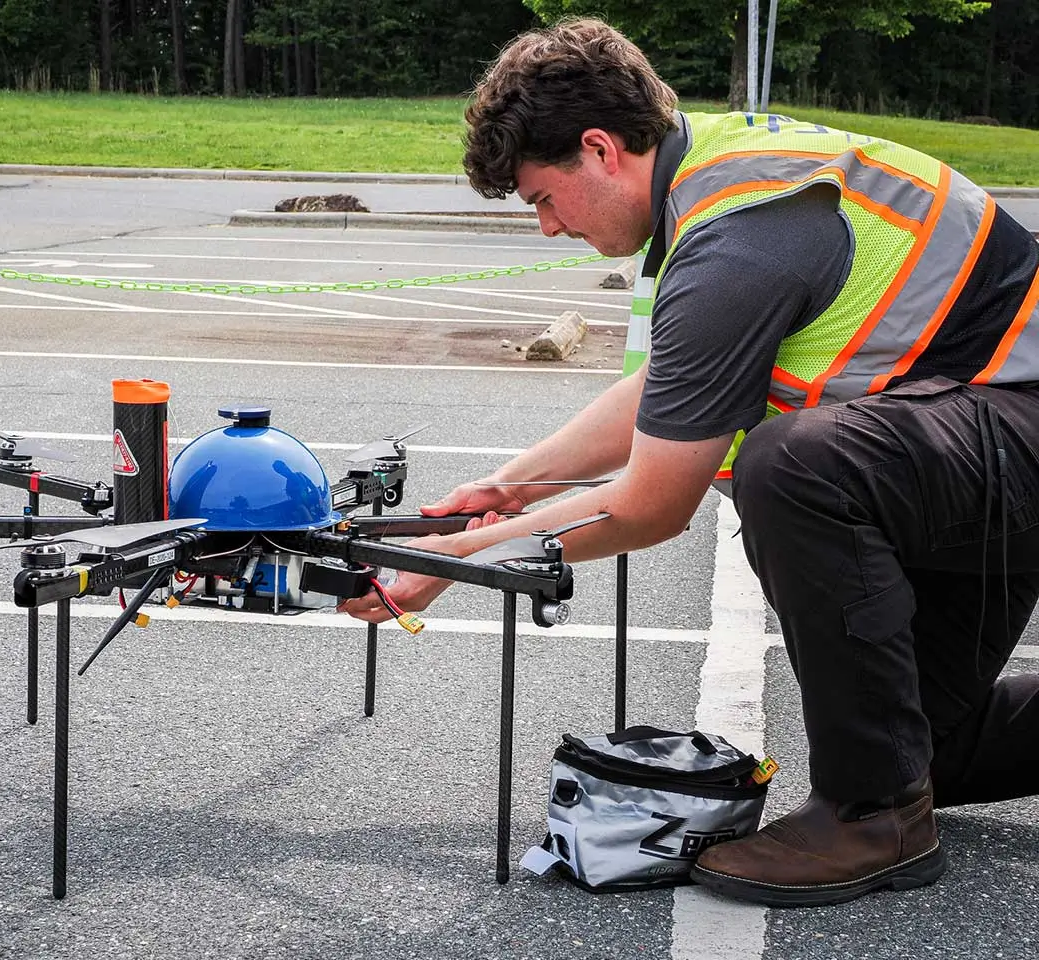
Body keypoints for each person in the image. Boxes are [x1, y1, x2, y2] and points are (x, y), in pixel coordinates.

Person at [339, 17, 1039, 908]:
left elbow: (653, 504)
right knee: (925, 747)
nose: (549, 228)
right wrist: (512, 484)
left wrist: (455, 560)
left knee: (794, 468)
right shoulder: (715, 172)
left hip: (1011, 442)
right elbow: (677, 390)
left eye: (543, 199)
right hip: (984, 451)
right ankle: (894, 783)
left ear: (599, 149)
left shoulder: (739, 236)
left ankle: (873, 818)